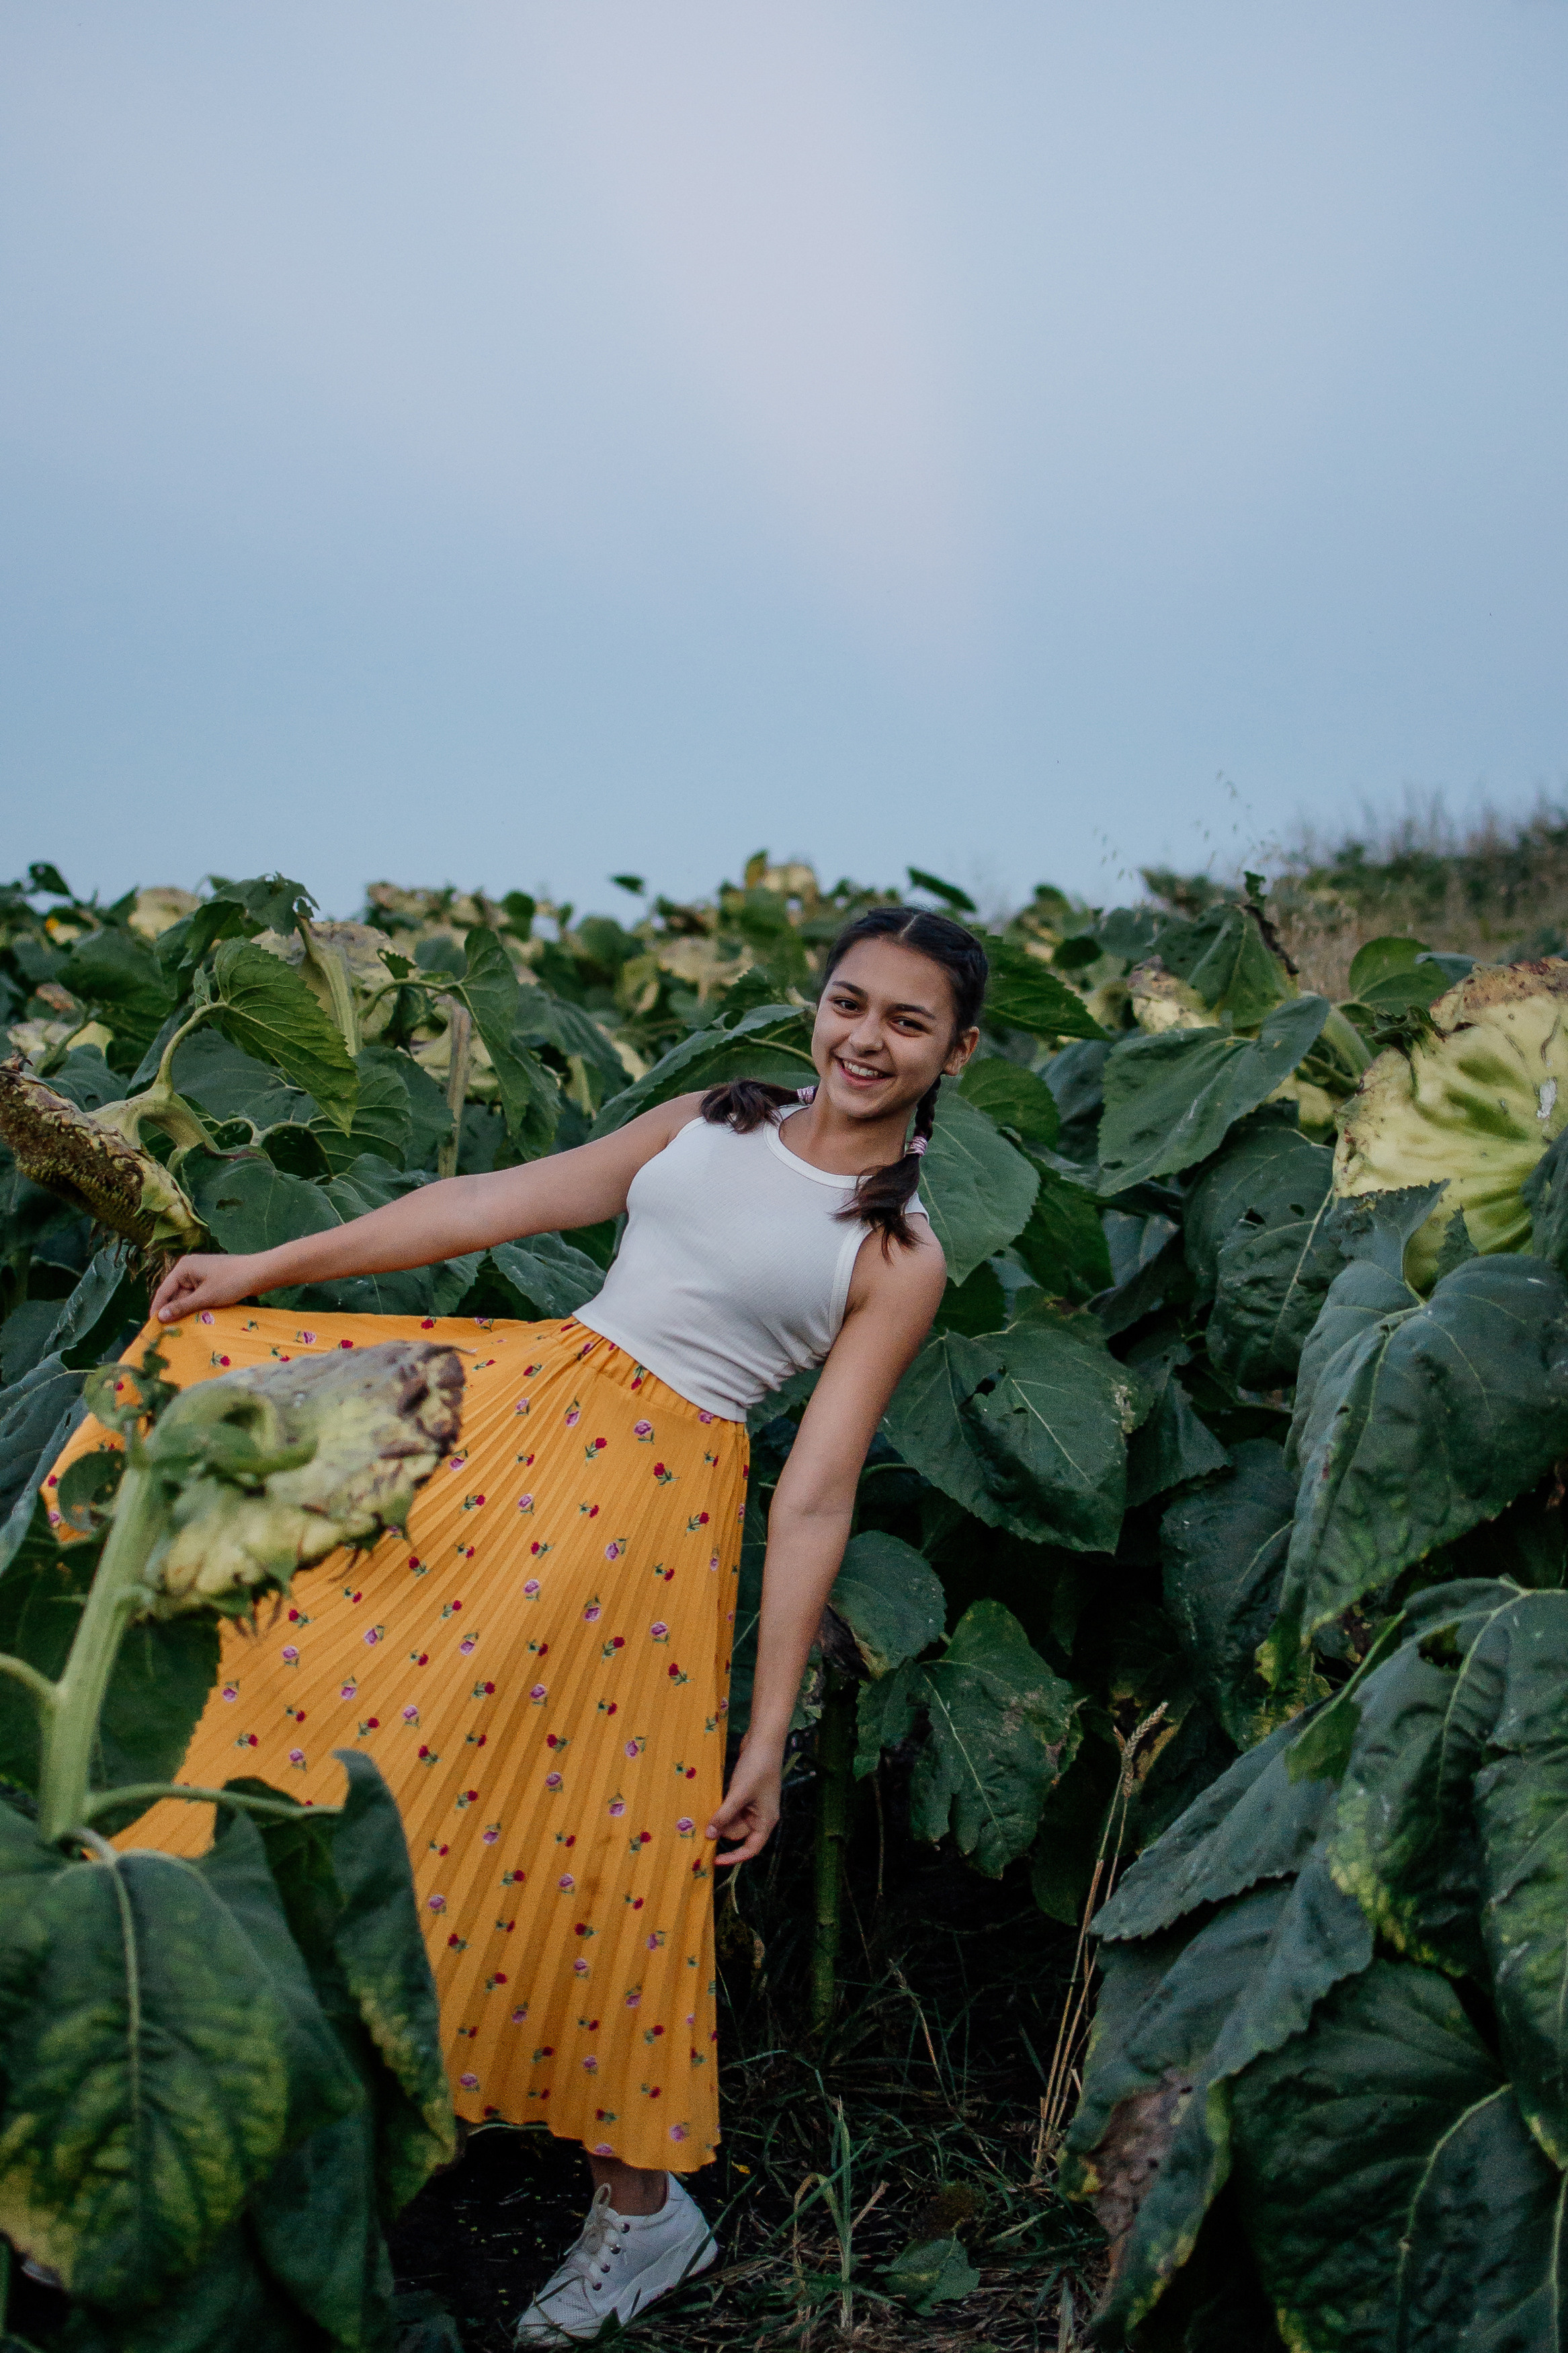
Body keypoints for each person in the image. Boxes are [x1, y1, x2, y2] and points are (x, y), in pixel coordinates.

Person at [59, 904, 985, 2342]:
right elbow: (488, 1202)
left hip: (641, 1524)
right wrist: (262, 1269)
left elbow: (815, 1497)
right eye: (849, 1002)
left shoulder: (895, 1251)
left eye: (907, 1022)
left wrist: (765, 1730)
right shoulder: (716, 1118)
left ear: (955, 1053)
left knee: (574, 1836)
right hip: (521, 1415)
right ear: (818, 1005)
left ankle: (640, 2210)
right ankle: (194, 2106)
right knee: (316, 1693)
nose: (866, 1039)